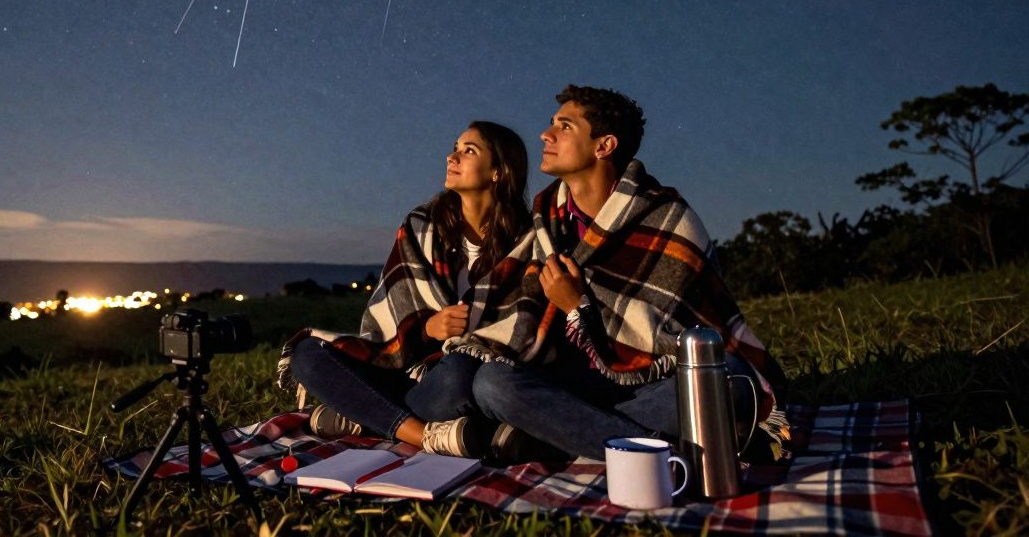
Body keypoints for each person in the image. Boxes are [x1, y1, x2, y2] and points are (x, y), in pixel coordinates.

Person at [471, 86, 790, 462]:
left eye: (565, 126)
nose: (546, 134)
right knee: (492, 384)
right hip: (572, 381)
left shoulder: (666, 217)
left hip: (652, 381)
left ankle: (563, 437)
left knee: (729, 383)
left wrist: (577, 305)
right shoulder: (545, 220)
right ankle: (664, 455)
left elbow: (686, 333)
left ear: (603, 146)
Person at [277, 121, 547, 456]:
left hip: (454, 379)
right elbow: (391, 319)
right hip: (405, 371)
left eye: (469, 151)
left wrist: (470, 339)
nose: (452, 157)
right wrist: (429, 328)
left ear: (498, 172)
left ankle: (364, 417)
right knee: (307, 354)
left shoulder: (527, 241)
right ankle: (421, 435)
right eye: (455, 147)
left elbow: (521, 329)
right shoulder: (421, 226)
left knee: (464, 372)